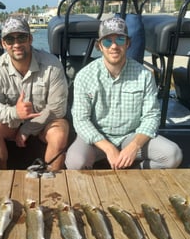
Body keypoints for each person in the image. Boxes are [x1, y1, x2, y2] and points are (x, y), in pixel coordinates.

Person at [65, 17, 182, 170]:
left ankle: (133, 174)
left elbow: (151, 117)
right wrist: (108, 147)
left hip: (131, 136)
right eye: (107, 41)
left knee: (173, 155)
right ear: (99, 46)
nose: (114, 46)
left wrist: (134, 146)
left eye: (120, 40)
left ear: (128, 44)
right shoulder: (84, 76)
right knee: (75, 162)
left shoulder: (144, 75)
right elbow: (81, 120)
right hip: (97, 139)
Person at [0, 16, 69, 171]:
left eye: (21, 37)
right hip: (12, 124)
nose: (16, 44)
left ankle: (52, 183)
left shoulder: (52, 65)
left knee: (60, 132)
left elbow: (58, 108)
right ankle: (0, 178)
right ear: (3, 44)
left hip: (45, 123)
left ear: (30, 39)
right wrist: (15, 112)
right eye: (10, 39)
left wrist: (27, 129)